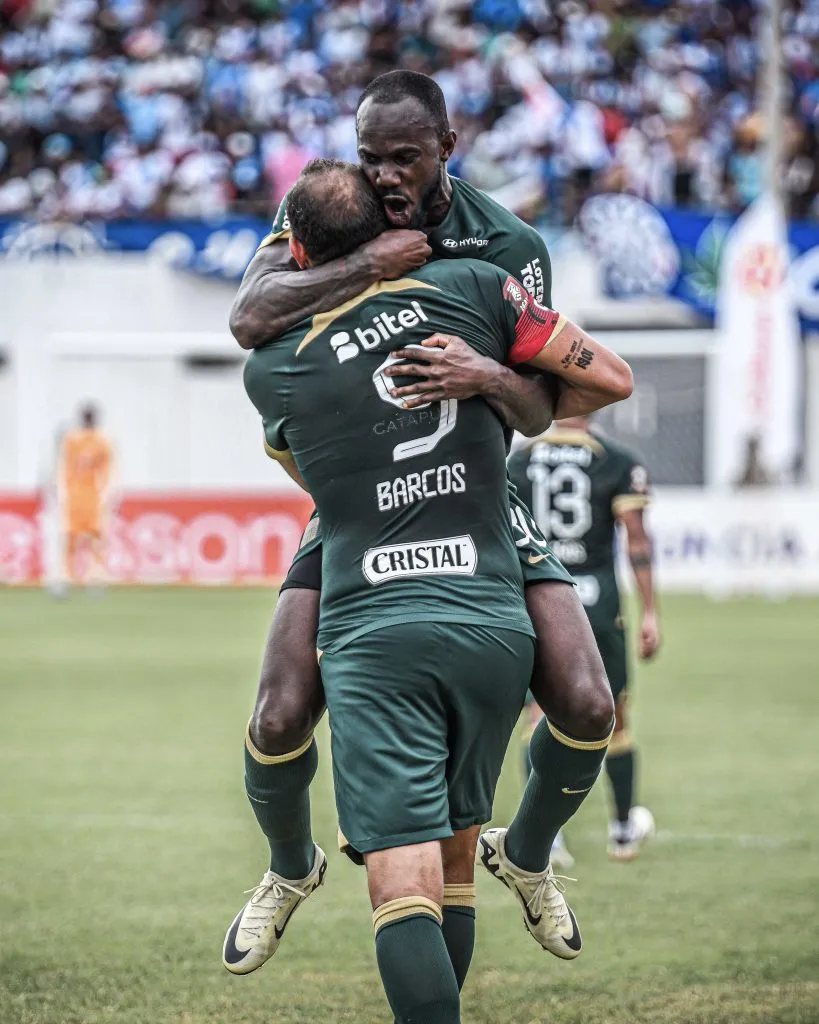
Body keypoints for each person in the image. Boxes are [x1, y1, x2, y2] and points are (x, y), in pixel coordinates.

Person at [225, 70, 626, 965]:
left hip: (480, 499)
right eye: (370, 159)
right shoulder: (331, 218)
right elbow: (248, 315)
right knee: (281, 710)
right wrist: (371, 260)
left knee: (589, 699)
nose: (384, 178)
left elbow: (543, 402)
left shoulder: (506, 244)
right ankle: (289, 867)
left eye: (403, 158)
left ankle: (524, 860)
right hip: (356, 505)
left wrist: (484, 378)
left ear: (447, 147)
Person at [507, 415, 661, 861]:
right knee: (615, 716)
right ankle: (623, 829)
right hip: (595, 602)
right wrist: (651, 611)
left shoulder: (518, 459)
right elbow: (637, 541)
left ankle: (547, 837)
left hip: (537, 595)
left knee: (537, 717)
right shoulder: (617, 460)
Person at [58, 404, 114, 588]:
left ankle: (96, 572)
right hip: (74, 494)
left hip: (93, 495)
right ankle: (69, 573)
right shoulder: (72, 441)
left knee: (95, 534)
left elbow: (107, 471)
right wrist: (62, 490)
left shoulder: (101, 443)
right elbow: (64, 466)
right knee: (71, 535)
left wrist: (106, 492)